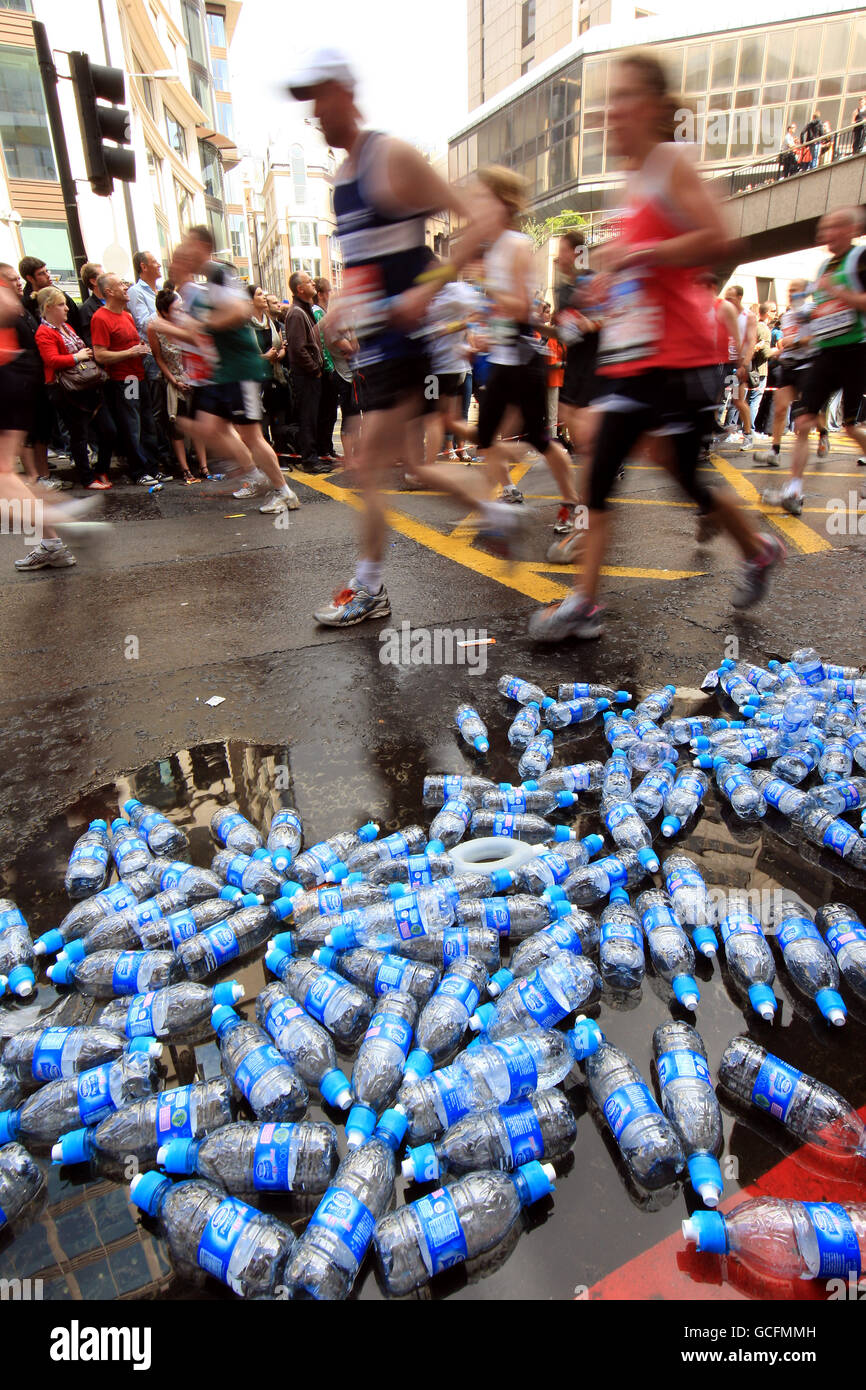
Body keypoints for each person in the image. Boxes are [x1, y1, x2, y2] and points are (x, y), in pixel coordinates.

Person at [527, 51, 784, 643]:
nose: (611, 113)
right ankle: (585, 604)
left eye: (625, 98)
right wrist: (604, 287)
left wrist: (640, 256)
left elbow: (720, 238)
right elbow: (641, 276)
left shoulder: (670, 164)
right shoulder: (635, 182)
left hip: (683, 359)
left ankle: (760, 548)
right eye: (609, 101)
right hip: (637, 360)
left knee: (684, 474)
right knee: (604, 472)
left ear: (656, 108)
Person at [286, 46, 502, 627]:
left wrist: (423, 290)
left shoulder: (392, 157)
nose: (317, 118)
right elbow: (361, 266)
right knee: (404, 465)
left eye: (320, 102)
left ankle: (370, 585)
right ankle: (493, 510)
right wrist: (339, 309)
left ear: (346, 95)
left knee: (370, 468)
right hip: (378, 345)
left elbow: (478, 220)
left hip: (409, 342)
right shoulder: (341, 181)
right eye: (309, 109)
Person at [165, 226, 299, 512]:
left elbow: (239, 313)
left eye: (187, 247)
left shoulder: (218, 273)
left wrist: (202, 325)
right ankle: (252, 474)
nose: (183, 253)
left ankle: (282, 490)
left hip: (241, 369)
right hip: (222, 372)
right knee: (206, 427)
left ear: (201, 247)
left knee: (251, 435)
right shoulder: (203, 284)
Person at [0, 280, 104, 572]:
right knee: (7, 474)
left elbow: (7, 305)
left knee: (3, 475)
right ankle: (52, 539)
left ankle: (62, 520)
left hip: (6, 373)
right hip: (14, 372)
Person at [775, 206, 866, 515]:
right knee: (802, 422)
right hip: (825, 354)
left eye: (833, 227)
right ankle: (794, 490)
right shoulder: (824, 267)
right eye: (823, 228)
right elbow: (822, 309)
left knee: (852, 428)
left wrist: (840, 293)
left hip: (856, 352)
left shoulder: (860, 258)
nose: (825, 234)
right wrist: (811, 316)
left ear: (850, 229)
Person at [33, 283, 117, 492]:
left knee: (108, 430)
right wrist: (77, 356)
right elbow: (51, 360)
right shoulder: (44, 332)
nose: (67, 308)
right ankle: (87, 478)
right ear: (48, 308)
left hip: (87, 386)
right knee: (79, 435)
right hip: (66, 391)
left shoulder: (66, 327)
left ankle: (100, 469)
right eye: (61, 304)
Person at [89, 273, 161, 486]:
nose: (125, 286)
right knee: (133, 424)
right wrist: (130, 353)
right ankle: (139, 471)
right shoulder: (100, 318)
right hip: (125, 379)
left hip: (138, 375)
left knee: (148, 422)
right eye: (120, 283)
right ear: (109, 291)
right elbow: (100, 355)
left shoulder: (127, 316)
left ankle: (152, 468)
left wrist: (138, 350)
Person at [147, 286, 208, 483]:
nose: (181, 312)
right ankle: (185, 469)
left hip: (194, 378)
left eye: (182, 308)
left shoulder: (187, 325)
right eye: (176, 309)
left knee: (197, 423)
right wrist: (174, 381)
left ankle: (204, 467)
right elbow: (158, 357)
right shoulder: (154, 328)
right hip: (174, 380)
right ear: (164, 312)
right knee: (178, 426)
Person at [753, 279, 815, 468]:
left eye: (795, 290)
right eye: (789, 290)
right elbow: (784, 344)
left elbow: (815, 337)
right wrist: (777, 352)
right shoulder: (787, 316)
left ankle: (823, 434)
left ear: (805, 292)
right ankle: (775, 451)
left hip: (807, 365)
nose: (791, 293)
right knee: (780, 409)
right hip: (789, 366)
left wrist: (794, 342)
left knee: (807, 415)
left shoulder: (812, 310)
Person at [125, 250, 174, 475]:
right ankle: (159, 456)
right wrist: (167, 316)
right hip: (149, 359)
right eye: (155, 261)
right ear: (143, 266)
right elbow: (145, 323)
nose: (159, 265)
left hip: (170, 353)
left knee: (171, 407)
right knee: (156, 410)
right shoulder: (136, 292)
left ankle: (172, 453)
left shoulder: (161, 290)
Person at [283, 270, 327, 473]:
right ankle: (309, 460)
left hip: (311, 375)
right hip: (305, 376)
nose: (313, 284)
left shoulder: (305, 310)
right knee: (307, 418)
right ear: (300, 289)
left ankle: (315, 455)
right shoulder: (296, 313)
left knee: (314, 416)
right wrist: (314, 369)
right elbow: (298, 348)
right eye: (309, 282)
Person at [248, 284, 288, 448]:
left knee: (279, 421)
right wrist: (264, 357)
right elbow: (244, 356)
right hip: (257, 382)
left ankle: (281, 455)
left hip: (276, 377)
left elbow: (282, 347)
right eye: (259, 295)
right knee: (262, 425)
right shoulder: (246, 327)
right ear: (250, 301)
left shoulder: (273, 324)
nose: (263, 297)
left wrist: (280, 354)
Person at [723, 283, 757, 447]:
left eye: (730, 298)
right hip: (723, 362)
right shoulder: (725, 314)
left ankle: (748, 434)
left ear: (739, 297)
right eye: (726, 298)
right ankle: (711, 436)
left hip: (739, 363)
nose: (727, 301)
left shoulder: (748, 316)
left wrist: (744, 365)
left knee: (737, 400)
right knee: (714, 398)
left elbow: (751, 342)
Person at [312, 277, 341, 462]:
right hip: (326, 370)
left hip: (330, 369)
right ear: (321, 294)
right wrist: (329, 368)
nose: (331, 294)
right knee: (326, 412)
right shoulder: (318, 313)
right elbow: (322, 343)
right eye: (329, 291)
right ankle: (324, 449)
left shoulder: (323, 312)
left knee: (330, 413)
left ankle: (328, 448)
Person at [19, 256, 81, 334]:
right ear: (30, 278)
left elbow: (76, 320)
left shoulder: (60, 294)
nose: (48, 275)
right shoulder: (26, 305)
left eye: (47, 271)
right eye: (41, 273)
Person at [77, 262, 104, 347]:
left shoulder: (115, 301)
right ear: (93, 281)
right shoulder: (87, 309)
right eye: (103, 276)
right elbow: (91, 341)